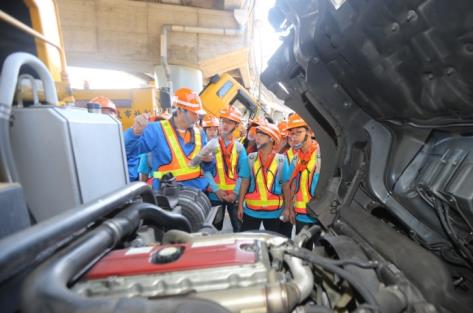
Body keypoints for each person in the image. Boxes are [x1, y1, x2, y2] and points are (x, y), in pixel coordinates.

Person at [124, 87, 211, 191]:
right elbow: (127, 152)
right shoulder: (156, 130)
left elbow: (206, 168)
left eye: (198, 114)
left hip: (196, 198)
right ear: (179, 111)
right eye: (194, 113)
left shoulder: (200, 134)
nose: (197, 118)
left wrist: (208, 161)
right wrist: (134, 133)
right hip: (167, 197)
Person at [237, 122, 292, 233]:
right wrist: (240, 206)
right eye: (257, 134)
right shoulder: (250, 158)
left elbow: (286, 187)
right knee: (246, 243)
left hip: (275, 212)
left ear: (272, 139)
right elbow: (244, 183)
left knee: (274, 246)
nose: (257, 137)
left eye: (262, 135)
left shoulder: (282, 161)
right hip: (251, 211)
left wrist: (287, 208)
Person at [202, 107, 247, 232]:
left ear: (236, 125)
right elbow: (204, 170)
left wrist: (235, 193)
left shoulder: (239, 148)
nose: (225, 125)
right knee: (214, 230)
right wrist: (216, 189)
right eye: (223, 121)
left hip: (234, 196)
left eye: (230, 122)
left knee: (239, 229)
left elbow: (243, 173)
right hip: (215, 195)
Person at [287, 113, 321, 233]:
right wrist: (290, 208)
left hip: (320, 216)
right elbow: (291, 185)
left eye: (299, 132)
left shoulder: (321, 156)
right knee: (302, 251)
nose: (294, 137)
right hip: (301, 215)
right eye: (292, 133)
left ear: (310, 133)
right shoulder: (295, 159)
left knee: (320, 251)